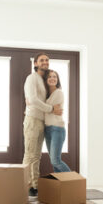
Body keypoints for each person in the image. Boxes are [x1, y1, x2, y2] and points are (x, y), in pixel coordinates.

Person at [23, 52, 62, 196]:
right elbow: (32, 99)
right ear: (35, 63)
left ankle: (34, 185)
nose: (45, 62)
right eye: (42, 60)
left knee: (36, 155)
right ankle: (28, 186)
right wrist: (51, 109)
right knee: (30, 154)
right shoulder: (32, 78)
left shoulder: (43, 80)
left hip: (41, 121)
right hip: (32, 119)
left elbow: (39, 100)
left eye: (47, 60)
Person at [43, 70, 71, 173]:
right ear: (46, 80)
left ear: (57, 80)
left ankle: (73, 183)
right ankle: (61, 186)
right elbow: (48, 107)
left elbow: (44, 107)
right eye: (49, 77)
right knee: (53, 161)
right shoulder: (46, 94)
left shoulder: (58, 92)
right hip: (47, 129)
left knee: (56, 161)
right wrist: (48, 107)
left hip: (57, 129)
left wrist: (37, 103)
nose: (52, 78)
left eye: (55, 77)